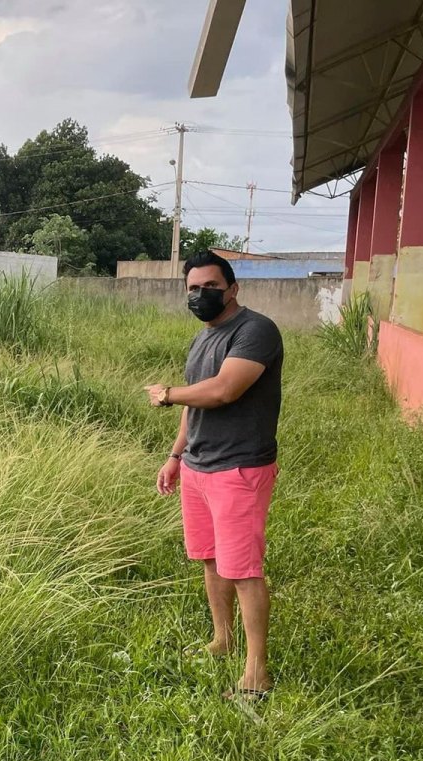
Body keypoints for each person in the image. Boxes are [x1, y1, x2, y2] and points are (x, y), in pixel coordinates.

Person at [145, 250, 284, 702]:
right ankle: (223, 639)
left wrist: (167, 393)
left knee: (243, 570)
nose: (201, 295)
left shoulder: (255, 331)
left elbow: (224, 390)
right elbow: (195, 403)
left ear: (233, 288)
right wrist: (175, 456)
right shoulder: (203, 337)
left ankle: (256, 673)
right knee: (210, 559)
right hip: (198, 467)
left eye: (210, 287)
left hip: (239, 467)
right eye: (193, 289)